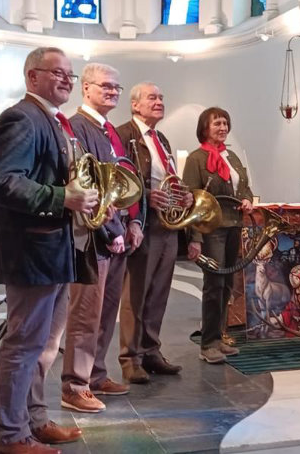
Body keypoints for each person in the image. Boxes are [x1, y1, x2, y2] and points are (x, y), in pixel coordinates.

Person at [0, 47, 94, 454]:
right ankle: (8, 435)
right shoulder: (21, 117)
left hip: (55, 250)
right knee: (24, 345)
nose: (68, 80)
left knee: (46, 346)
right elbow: (1, 181)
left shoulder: (52, 120)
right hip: (32, 251)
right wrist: (62, 196)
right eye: (58, 73)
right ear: (32, 77)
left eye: (71, 74)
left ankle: (34, 420)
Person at [60, 62, 142, 412]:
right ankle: (74, 386)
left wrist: (137, 224)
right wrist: (112, 230)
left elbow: (129, 181)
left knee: (107, 313)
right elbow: (88, 186)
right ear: (87, 88)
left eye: (116, 87)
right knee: (86, 315)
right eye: (105, 86)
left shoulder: (111, 130)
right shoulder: (78, 127)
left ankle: (96, 374)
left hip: (120, 235)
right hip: (94, 238)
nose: (112, 91)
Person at [115, 82, 187, 383]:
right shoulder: (123, 135)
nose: (159, 102)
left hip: (167, 225)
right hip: (142, 224)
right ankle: (131, 358)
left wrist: (183, 195)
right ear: (135, 105)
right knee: (136, 293)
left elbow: (168, 177)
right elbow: (118, 181)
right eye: (152, 98)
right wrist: (146, 194)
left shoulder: (162, 139)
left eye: (161, 97)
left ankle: (151, 351)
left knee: (158, 292)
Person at [183, 107, 255, 364]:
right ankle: (208, 343)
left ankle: (219, 335)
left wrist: (246, 199)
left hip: (234, 224)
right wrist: (195, 238)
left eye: (225, 123)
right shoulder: (196, 159)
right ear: (205, 128)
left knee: (226, 284)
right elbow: (191, 202)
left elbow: (244, 186)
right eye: (217, 124)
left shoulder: (232, 157)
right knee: (214, 284)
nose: (222, 128)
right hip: (211, 229)